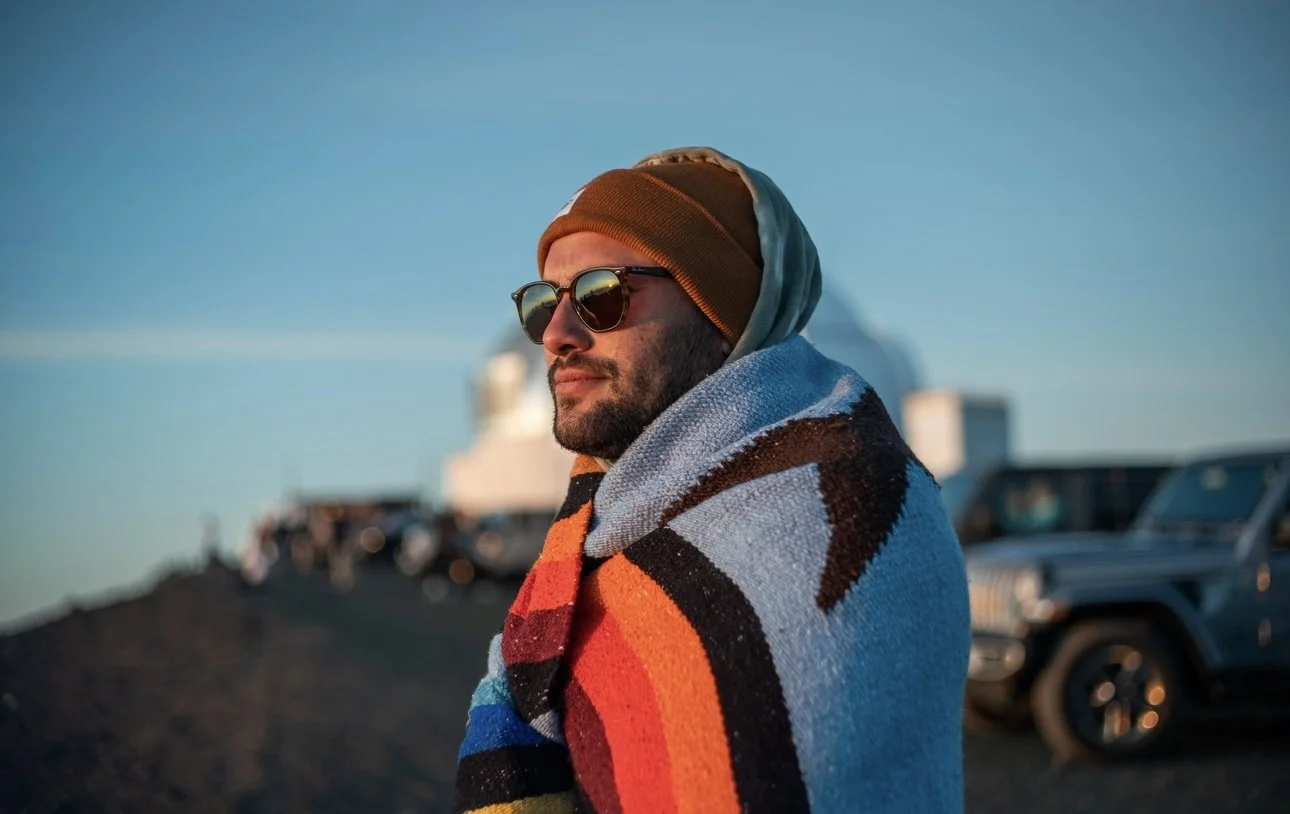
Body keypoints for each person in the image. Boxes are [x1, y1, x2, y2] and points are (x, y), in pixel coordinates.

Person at [453, 147, 970, 813]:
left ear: (719, 310)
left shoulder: (849, 509)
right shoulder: (599, 534)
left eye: (601, 295)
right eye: (541, 303)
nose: (555, 334)